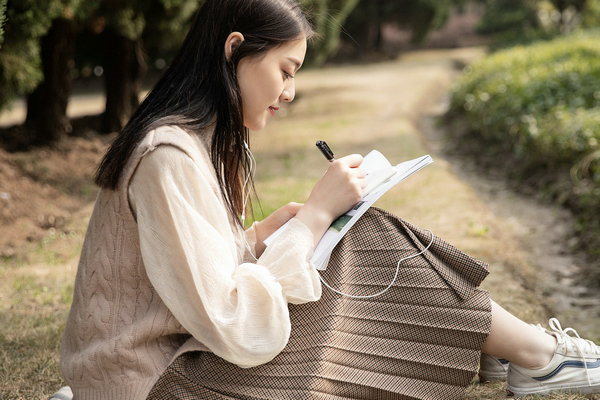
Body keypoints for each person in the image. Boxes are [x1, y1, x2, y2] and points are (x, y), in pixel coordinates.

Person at [57, 0, 600, 399]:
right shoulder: (169, 155)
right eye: (285, 71)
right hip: (156, 383)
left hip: (170, 362)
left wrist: (262, 233)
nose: (288, 93)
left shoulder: (194, 142)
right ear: (234, 50)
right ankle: (534, 356)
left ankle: (527, 353)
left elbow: (179, 275)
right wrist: (314, 217)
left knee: (351, 235)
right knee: (355, 244)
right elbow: (236, 325)